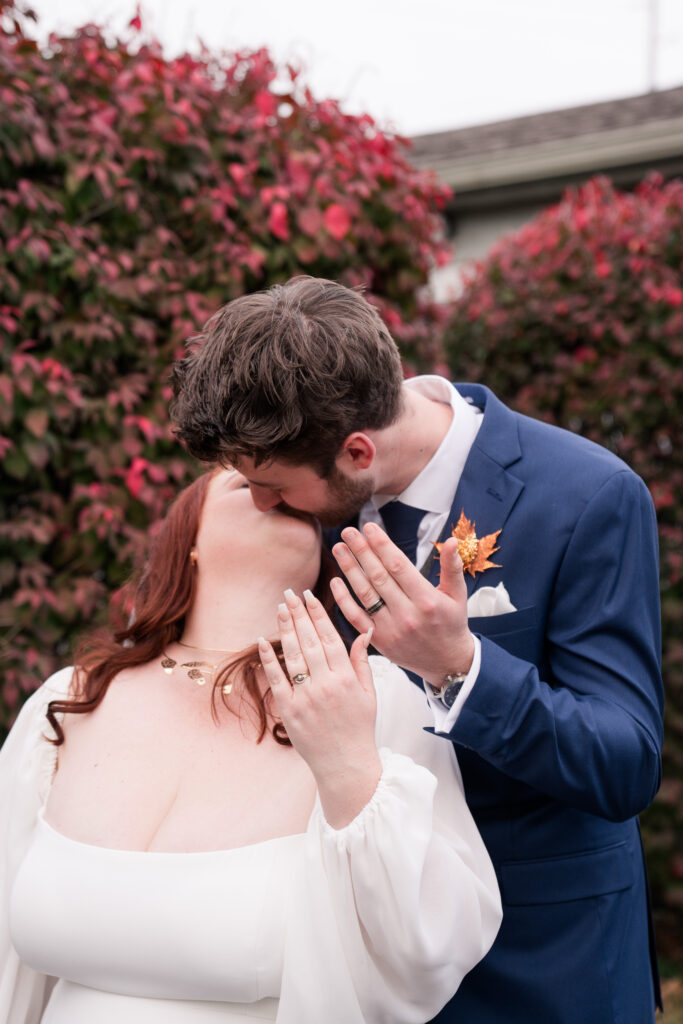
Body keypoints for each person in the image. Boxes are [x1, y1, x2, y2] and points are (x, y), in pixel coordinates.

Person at [170, 275, 665, 1024]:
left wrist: (460, 668)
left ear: (357, 450)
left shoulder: (589, 495)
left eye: (269, 484)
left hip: (541, 961)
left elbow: (623, 762)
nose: (258, 504)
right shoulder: (300, 523)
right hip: (351, 964)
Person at [0, 466, 501, 1024]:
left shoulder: (373, 695)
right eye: (246, 483)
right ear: (187, 542)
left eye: (294, 486)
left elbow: (435, 940)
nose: (276, 489)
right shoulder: (71, 701)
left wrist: (347, 767)